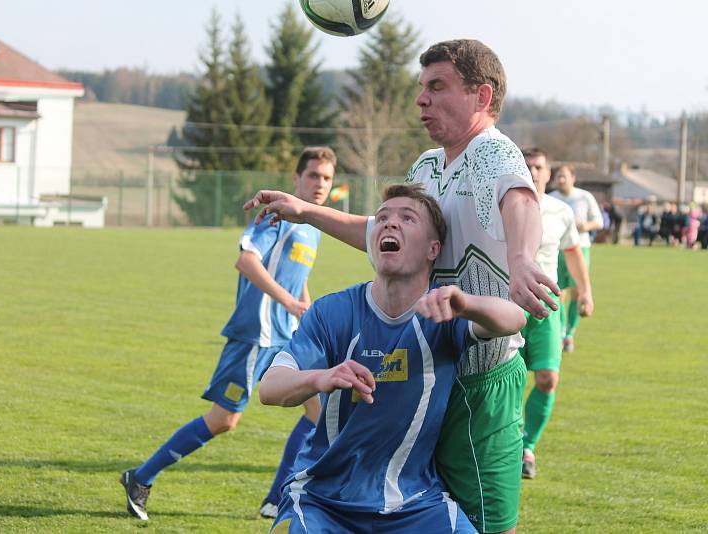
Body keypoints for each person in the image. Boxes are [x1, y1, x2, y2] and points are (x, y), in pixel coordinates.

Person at [245, 39, 551, 534]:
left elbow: (520, 200)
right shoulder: (428, 166)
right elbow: (383, 228)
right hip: (429, 369)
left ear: (481, 95)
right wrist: (305, 211)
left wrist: (519, 258)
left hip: (479, 377)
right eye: (421, 88)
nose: (421, 100)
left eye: (437, 87)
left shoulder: (495, 152)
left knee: (488, 524)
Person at [260, 183, 526, 534]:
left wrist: (467, 304)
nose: (389, 224)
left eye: (407, 218)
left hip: (414, 503)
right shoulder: (334, 312)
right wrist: (318, 378)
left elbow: (514, 319)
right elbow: (269, 388)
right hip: (322, 500)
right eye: (382, 218)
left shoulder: (443, 312)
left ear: (434, 249)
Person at [119, 147, 337, 521]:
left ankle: (275, 500)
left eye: (327, 178)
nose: (320, 184)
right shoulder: (275, 219)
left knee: (320, 413)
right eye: (313, 175)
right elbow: (246, 260)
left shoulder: (312, 229)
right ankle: (140, 477)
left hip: (285, 336)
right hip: (256, 335)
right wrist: (287, 302)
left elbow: (297, 278)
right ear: (296, 179)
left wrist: (307, 309)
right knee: (223, 420)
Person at [521, 148, 594, 479]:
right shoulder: (501, 204)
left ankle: (527, 447)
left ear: (548, 173)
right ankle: (508, 446)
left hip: (548, 307)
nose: (533, 171)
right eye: (526, 165)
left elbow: (574, 253)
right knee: (507, 382)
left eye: (538, 166)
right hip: (508, 305)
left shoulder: (560, 212)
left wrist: (585, 292)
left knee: (548, 379)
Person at [549, 165, 603, 353]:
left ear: (573, 177)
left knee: (577, 293)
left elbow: (599, 221)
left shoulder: (584, 197)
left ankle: (569, 334)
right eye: (558, 176)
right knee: (557, 293)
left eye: (564, 176)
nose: (560, 180)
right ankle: (561, 332)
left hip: (580, 247)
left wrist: (585, 225)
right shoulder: (551, 198)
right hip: (557, 250)